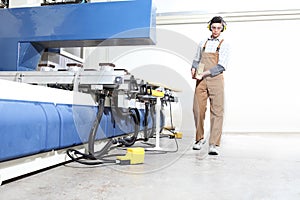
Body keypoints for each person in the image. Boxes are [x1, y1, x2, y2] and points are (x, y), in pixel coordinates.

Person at [191, 16, 230, 155]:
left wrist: (204, 73)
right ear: (210, 27)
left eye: (219, 28)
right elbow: (197, 59)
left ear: (222, 28)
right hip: (201, 78)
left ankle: (213, 144)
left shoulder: (224, 44)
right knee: (197, 109)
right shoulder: (203, 42)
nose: (216, 31)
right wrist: (194, 69)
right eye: (213, 27)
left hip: (215, 79)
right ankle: (199, 139)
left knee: (217, 111)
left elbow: (221, 66)